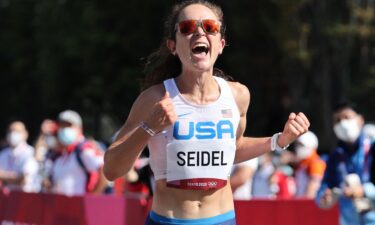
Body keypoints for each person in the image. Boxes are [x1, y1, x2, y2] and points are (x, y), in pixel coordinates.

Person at [103, 1, 310, 224]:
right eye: (187, 27)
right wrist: (149, 127)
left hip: (221, 219)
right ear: (173, 46)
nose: (199, 32)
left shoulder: (238, 96)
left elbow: (234, 148)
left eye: (210, 27)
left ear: (220, 44)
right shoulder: (155, 99)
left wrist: (279, 140)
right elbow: (112, 170)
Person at [316, 103, 375, 225]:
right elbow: (324, 190)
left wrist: (365, 190)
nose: (342, 123)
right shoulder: (335, 157)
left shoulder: (372, 149)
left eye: (347, 117)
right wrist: (325, 198)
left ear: (360, 120)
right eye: (337, 120)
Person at [50, 110, 107, 196]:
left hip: (80, 206)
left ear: (79, 128)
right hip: (62, 206)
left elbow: (105, 170)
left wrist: (93, 197)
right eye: (62, 125)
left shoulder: (83, 149)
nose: (64, 129)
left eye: (68, 125)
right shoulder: (61, 153)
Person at [0, 121, 40, 193]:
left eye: (17, 131)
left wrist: (3, 176)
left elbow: (23, 180)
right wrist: (15, 177)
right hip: (7, 199)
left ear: (25, 134)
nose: (13, 134)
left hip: (25, 198)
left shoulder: (30, 152)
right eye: (11, 131)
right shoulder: (3, 154)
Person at [294, 131, 326, 198]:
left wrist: (304, 205)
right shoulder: (302, 163)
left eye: (301, 145)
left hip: (307, 205)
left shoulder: (315, 163)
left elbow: (313, 188)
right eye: (297, 144)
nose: (298, 147)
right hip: (299, 202)